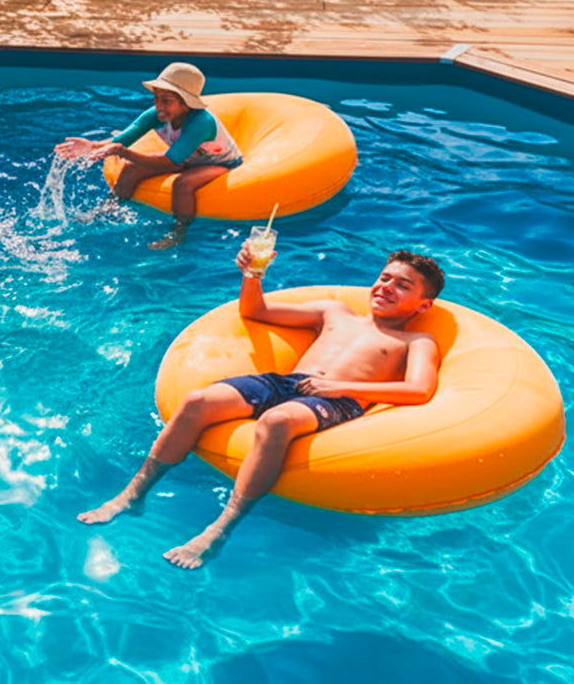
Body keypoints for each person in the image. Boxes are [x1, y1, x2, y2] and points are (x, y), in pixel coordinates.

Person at [77, 244, 445, 569]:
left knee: (277, 421)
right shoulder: (335, 313)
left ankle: (220, 528)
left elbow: (420, 389)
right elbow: (256, 311)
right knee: (197, 401)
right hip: (286, 382)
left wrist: (338, 387)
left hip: (339, 400)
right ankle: (133, 495)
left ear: (423, 304)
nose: (386, 287)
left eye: (402, 285)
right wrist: (252, 274)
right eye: (384, 277)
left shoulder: (415, 339)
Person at [54, 62, 242, 250]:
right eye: (156, 98)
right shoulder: (156, 114)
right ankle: (107, 209)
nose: (159, 105)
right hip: (188, 157)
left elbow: (168, 162)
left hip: (221, 163)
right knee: (130, 169)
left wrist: (123, 152)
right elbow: (125, 138)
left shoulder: (201, 122)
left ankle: (178, 233)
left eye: (166, 100)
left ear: (186, 103)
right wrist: (92, 146)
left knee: (183, 184)